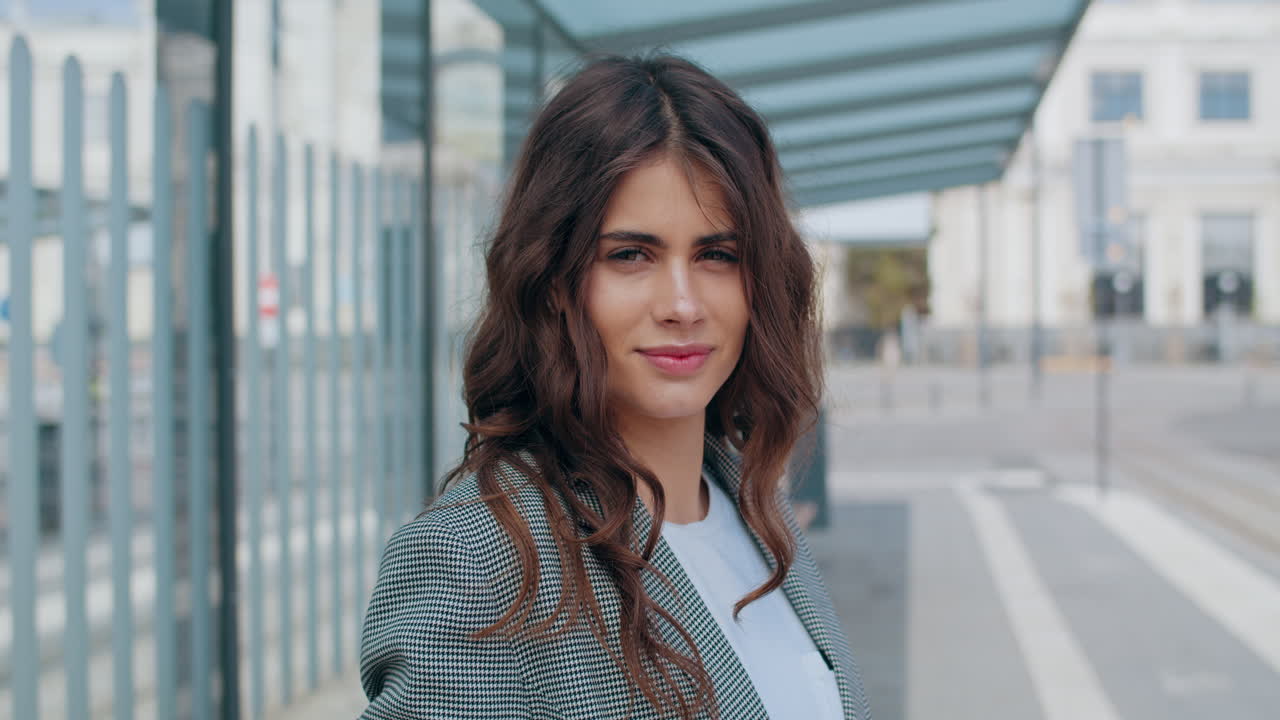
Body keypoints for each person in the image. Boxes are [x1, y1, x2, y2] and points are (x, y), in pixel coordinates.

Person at [358, 54, 872, 720]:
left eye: (718, 255)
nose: (683, 304)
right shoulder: (477, 563)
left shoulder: (753, 510)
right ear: (553, 279)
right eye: (631, 255)